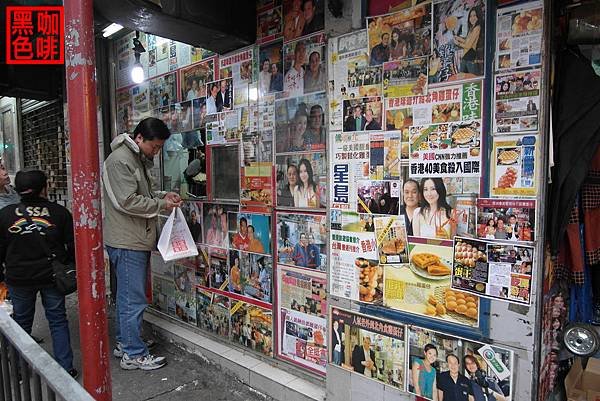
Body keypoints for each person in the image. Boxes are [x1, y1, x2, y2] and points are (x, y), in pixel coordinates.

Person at [103, 117, 181, 370]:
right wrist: (161, 204)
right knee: (132, 299)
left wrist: (162, 196)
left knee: (129, 296)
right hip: (128, 241)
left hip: (135, 239)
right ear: (139, 139)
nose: (156, 152)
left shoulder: (135, 158)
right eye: (154, 147)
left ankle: (126, 342)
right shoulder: (120, 160)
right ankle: (134, 353)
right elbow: (127, 201)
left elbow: (142, 194)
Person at [0, 170, 78, 378]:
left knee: (21, 323)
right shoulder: (59, 213)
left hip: (18, 278)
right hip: (52, 277)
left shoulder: (6, 214)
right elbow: (73, 247)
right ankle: (65, 368)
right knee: (57, 320)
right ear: (45, 187)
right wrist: (69, 266)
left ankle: (19, 370)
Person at [454, 7, 483, 75]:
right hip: (466, 56)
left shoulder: (477, 28)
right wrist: (458, 38)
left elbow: (468, 46)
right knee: (463, 80)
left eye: (474, 15)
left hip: (470, 55)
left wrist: (458, 43)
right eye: (470, 16)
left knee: (471, 79)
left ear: (478, 16)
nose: (472, 18)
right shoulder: (472, 28)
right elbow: (467, 41)